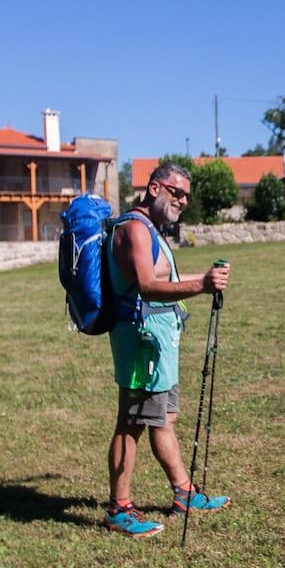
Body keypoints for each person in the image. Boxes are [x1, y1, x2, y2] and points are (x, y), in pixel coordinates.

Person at [101, 161, 233, 539]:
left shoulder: (151, 230)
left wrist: (206, 280)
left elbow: (166, 280)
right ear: (154, 188)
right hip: (142, 345)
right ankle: (118, 508)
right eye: (177, 193)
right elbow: (145, 286)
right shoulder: (134, 229)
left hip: (158, 342)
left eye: (187, 196)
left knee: (163, 419)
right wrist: (202, 286)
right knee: (131, 425)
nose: (182, 201)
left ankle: (183, 493)